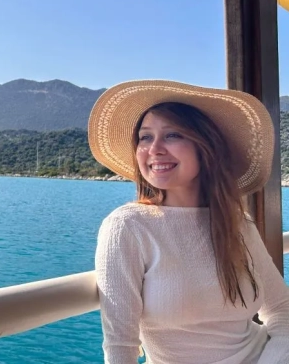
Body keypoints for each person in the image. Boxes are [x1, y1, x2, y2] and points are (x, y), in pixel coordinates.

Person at [88, 80, 289, 364]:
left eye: (172, 135)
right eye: (145, 137)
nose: (154, 148)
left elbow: (282, 309)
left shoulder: (237, 225)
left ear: (205, 147)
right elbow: (120, 346)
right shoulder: (128, 227)